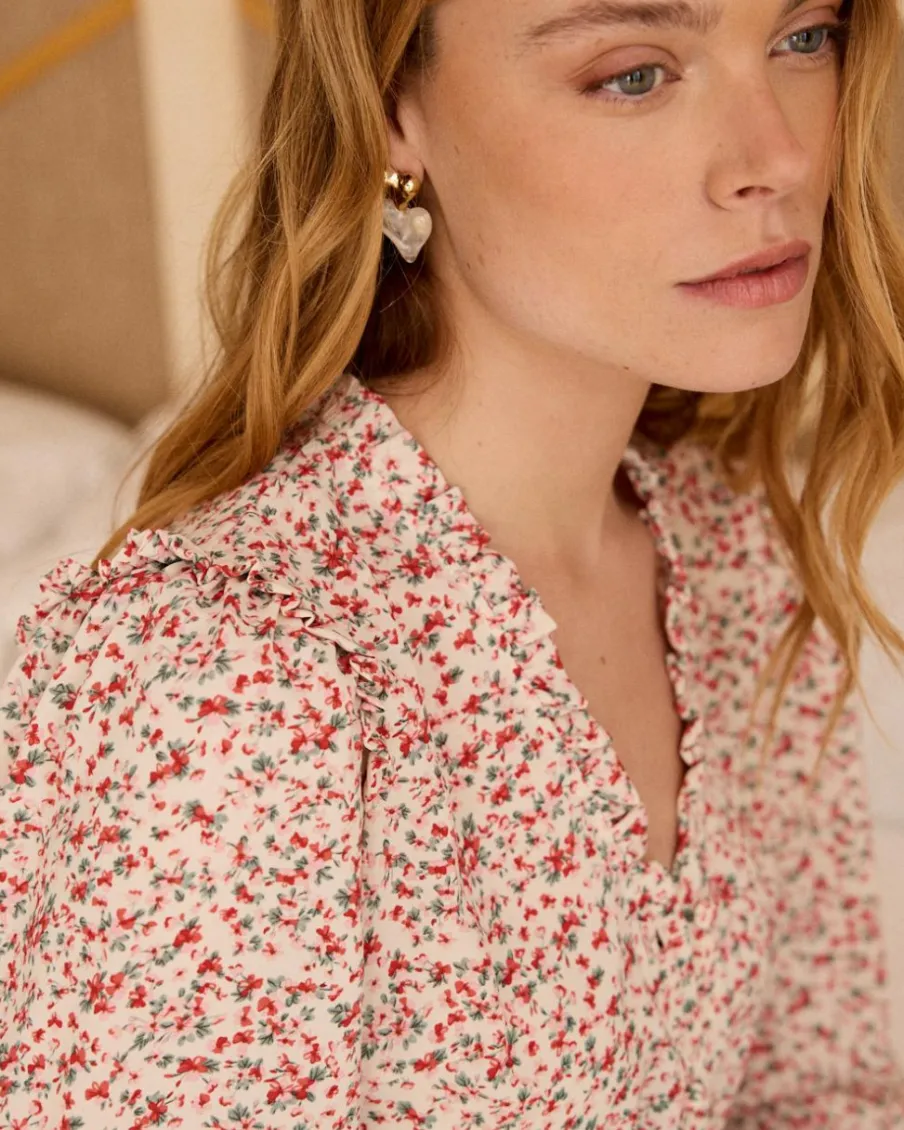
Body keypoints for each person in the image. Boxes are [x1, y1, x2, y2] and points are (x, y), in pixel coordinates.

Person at [3, 0, 904, 1124]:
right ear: (392, 112)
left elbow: (819, 1093)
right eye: (633, 74)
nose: (778, 156)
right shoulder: (222, 681)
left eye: (803, 36)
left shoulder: (736, 558)